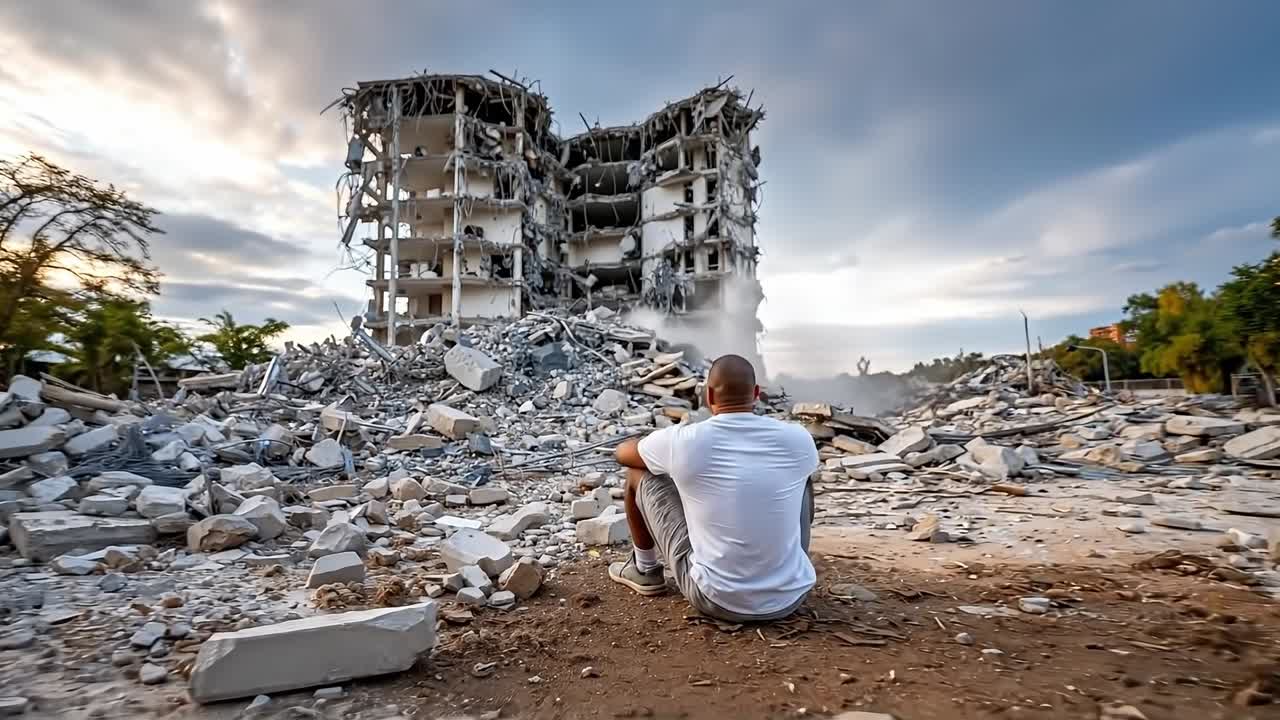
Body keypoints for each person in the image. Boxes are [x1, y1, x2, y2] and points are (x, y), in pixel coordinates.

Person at [610, 353, 819, 622]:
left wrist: (656, 449)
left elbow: (622, 453)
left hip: (714, 598)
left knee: (637, 472)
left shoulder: (685, 441)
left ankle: (645, 569)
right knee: (802, 476)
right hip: (790, 597)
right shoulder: (798, 439)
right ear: (756, 393)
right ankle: (784, 565)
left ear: (708, 395)